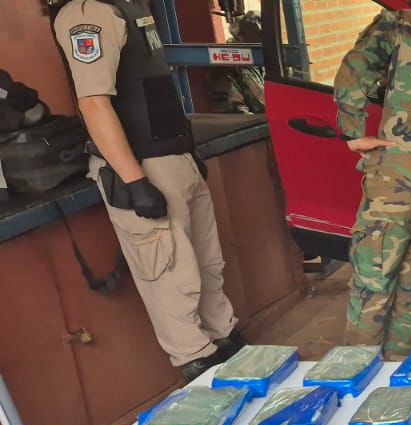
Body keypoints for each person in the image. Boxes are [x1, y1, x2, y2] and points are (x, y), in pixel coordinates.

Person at [49, 0, 244, 379]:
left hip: (174, 157)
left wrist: (185, 154)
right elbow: (93, 103)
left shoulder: (129, 6)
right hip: (143, 166)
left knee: (207, 264)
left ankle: (227, 341)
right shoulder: (88, 13)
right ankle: (199, 363)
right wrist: (135, 181)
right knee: (171, 273)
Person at [334, 6, 411, 358]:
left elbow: (354, 70)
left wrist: (352, 131)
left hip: (397, 172)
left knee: (373, 282)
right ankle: (395, 367)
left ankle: (357, 370)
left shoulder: (404, 21)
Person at [205, 11, 266, 115]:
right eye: (256, 33)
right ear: (240, 36)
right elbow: (234, 111)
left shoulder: (266, 61)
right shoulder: (225, 68)